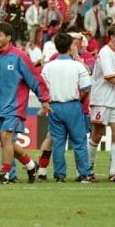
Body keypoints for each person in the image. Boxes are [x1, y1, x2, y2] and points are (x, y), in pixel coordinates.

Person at [0, 22, 51, 184]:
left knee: (5, 136)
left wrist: (43, 99)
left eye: (0, 35)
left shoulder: (19, 56)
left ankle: (5, 174)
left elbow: (34, 78)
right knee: (6, 141)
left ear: (8, 38)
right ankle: (31, 165)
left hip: (15, 106)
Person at [41, 33, 94, 183]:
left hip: (55, 106)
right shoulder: (77, 65)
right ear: (71, 46)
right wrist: (80, 100)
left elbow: (43, 89)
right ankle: (84, 174)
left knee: (58, 143)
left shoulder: (48, 67)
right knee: (79, 142)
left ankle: (59, 175)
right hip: (73, 105)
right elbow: (87, 87)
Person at [88, 24, 115, 181]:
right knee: (97, 134)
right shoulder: (105, 52)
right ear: (112, 37)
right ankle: (88, 169)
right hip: (102, 100)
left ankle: (114, 171)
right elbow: (109, 76)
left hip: (114, 100)